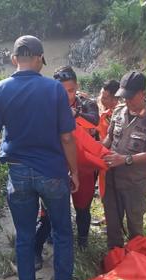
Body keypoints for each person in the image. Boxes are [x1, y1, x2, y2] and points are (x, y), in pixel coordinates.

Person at [0, 35, 79, 280]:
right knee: (62, 231)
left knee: (24, 235)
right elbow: (68, 138)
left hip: (19, 174)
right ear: (39, 59)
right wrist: (75, 172)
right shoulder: (55, 90)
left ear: (14, 59)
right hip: (53, 173)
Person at [102, 71, 146, 249]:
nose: (127, 101)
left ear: (143, 93)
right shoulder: (118, 112)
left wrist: (124, 159)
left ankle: (137, 261)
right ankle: (114, 259)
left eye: (131, 97)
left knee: (135, 225)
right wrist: (95, 149)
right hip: (112, 179)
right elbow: (109, 140)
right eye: (124, 97)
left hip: (134, 184)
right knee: (112, 223)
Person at [53, 66, 99, 249]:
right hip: (56, 164)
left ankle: (82, 240)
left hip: (84, 166)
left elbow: (95, 120)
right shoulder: (47, 105)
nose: (67, 96)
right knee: (52, 208)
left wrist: (75, 113)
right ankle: (53, 238)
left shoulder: (86, 104)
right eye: (62, 92)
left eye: (71, 91)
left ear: (77, 87)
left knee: (82, 206)